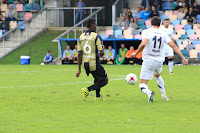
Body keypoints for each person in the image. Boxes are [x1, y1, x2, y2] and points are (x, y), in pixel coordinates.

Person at [131, 16, 188, 103]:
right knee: (157, 75)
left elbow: (143, 43)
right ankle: (164, 96)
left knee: (142, 84)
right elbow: (173, 45)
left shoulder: (146, 32)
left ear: (150, 23)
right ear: (160, 24)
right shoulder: (163, 34)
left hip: (149, 60)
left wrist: (136, 53)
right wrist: (183, 58)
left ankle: (149, 92)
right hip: (159, 61)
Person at [76, 18, 108, 101]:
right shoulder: (96, 36)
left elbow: (79, 54)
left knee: (97, 79)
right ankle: (87, 90)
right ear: (92, 25)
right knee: (104, 80)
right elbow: (101, 52)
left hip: (85, 64)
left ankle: (97, 96)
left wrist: (79, 69)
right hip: (93, 62)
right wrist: (100, 54)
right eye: (95, 25)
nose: (96, 27)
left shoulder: (81, 37)